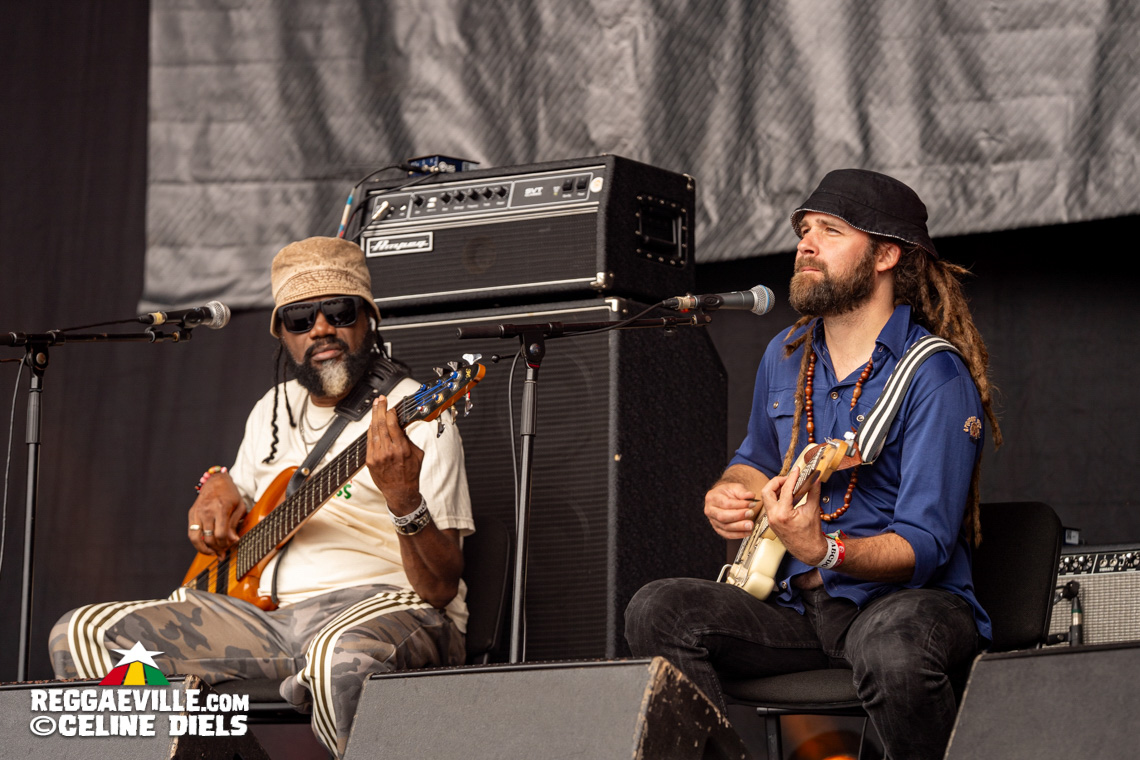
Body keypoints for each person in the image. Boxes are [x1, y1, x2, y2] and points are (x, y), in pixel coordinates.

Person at [625, 169, 1002, 760]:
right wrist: (729, 491)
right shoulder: (787, 353)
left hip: (902, 604)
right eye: (805, 229)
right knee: (658, 610)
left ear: (885, 255)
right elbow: (755, 459)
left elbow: (924, 544)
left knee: (892, 651)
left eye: (831, 230)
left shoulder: (935, 375)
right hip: (798, 607)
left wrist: (824, 549)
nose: (806, 243)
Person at [49, 236, 475, 758]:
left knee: (335, 658)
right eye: (299, 319)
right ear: (283, 335)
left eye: (337, 311)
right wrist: (215, 484)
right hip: (263, 621)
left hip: (383, 606)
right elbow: (243, 499)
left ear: (368, 319)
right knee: (83, 634)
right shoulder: (272, 409)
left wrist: (404, 498)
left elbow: (440, 586)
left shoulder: (417, 414)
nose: (320, 328)